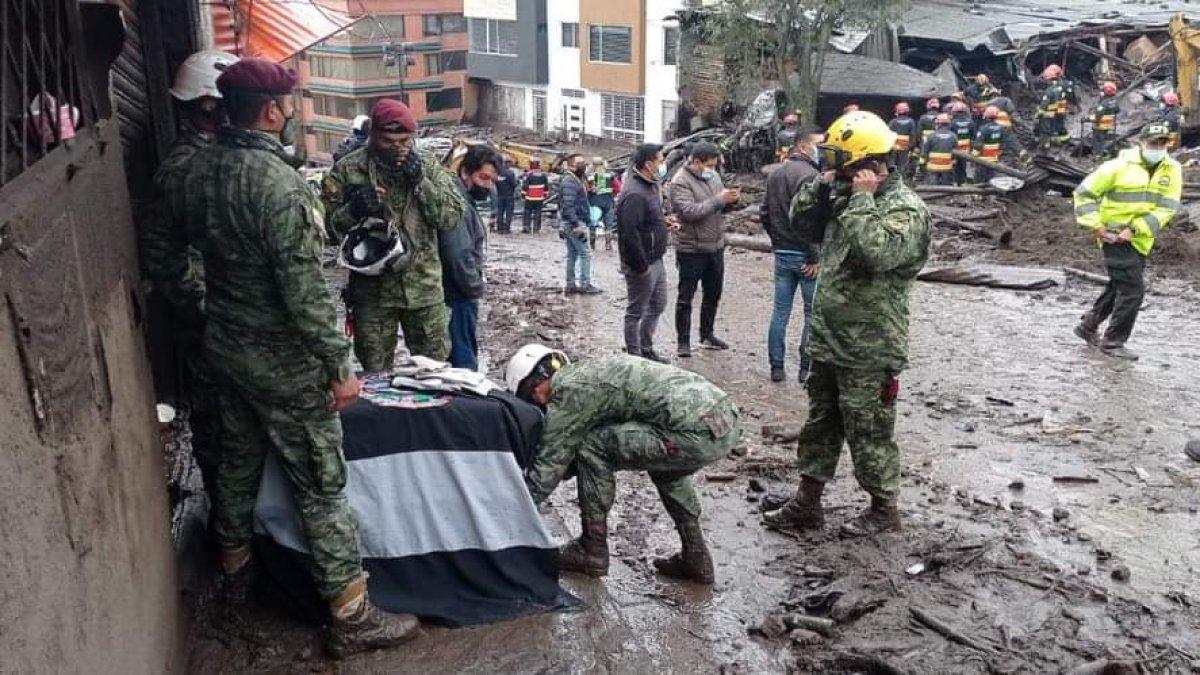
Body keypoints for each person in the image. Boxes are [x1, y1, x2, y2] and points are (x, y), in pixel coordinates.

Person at [182, 57, 418, 658]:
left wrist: (202, 313)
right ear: (270, 110)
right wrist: (341, 366)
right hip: (284, 365)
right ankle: (350, 613)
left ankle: (235, 577)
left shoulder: (195, 168)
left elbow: (166, 254)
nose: (291, 113)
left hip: (222, 350)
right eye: (288, 104)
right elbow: (306, 291)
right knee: (320, 484)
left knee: (233, 466)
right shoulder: (280, 186)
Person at [764, 110, 931, 536]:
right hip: (831, 338)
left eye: (839, 160)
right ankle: (807, 503)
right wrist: (821, 190)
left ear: (864, 164)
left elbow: (876, 254)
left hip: (870, 347)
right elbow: (800, 225)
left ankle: (883, 511)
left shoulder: (905, 209)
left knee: (869, 429)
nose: (831, 166)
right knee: (821, 422)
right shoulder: (841, 194)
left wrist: (860, 201)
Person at [506, 345, 741, 584]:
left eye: (530, 396)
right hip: (725, 420)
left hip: (692, 432)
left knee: (592, 447)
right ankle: (696, 556)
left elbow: (549, 468)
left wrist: (505, 519)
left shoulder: (568, 393)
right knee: (668, 472)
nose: (538, 403)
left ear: (534, 384)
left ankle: (592, 548)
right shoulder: (588, 371)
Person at [144, 49, 238, 513]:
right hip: (210, 324)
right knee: (219, 428)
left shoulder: (222, 156)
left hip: (233, 318)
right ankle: (228, 528)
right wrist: (204, 306)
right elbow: (165, 257)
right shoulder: (184, 168)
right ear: (208, 105)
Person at [322, 99, 465, 369]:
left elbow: (451, 217)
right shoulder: (349, 169)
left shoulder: (427, 165)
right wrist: (354, 209)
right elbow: (326, 230)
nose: (398, 148)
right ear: (373, 135)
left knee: (433, 369)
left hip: (423, 290)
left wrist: (420, 182)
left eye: (405, 140)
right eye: (389, 141)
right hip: (372, 293)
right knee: (375, 371)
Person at [1072, 124, 1181, 361]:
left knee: (1119, 284)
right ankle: (1113, 343)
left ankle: (1088, 326)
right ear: (1140, 143)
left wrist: (1136, 229)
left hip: (1141, 238)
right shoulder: (1117, 167)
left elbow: (1168, 206)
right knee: (1133, 291)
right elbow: (1084, 194)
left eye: (1163, 144)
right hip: (1113, 235)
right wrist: (1096, 225)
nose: (1158, 148)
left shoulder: (1172, 169)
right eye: (1153, 144)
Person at [762, 124, 825, 383]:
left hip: (782, 253)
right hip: (805, 255)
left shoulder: (776, 174)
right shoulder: (811, 176)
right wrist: (813, 256)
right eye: (818, 144)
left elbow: (765, 214)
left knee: (780, 312)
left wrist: (777, 241)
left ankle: (776, 367)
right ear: (803, 146)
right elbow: (807, 219)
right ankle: (805, 367)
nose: (821, 150)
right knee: (811, 314)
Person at [667, 141, 738, 357]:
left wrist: (731, 200)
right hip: (692, 249)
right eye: (710, 165)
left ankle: (707, 334)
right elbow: (689, 212)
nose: (713, 169)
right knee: (685, 297)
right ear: (697, 162)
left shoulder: (714, 177)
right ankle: (683, 342)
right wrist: (719, 200)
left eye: (715, 165)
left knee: (713, 293)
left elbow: (718, 206)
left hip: (715, 246)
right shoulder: (680, 182)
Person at [440, 144, 498, 370]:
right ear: (465, 172)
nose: (488, 186)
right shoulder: (458, 203)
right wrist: (474, 286)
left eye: (493, 181)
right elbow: (458, 252)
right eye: (484, 178)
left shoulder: (463, 199)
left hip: (457, 291)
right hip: (458, 294)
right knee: (462, 360)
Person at [617, 143, 675, 363]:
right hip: (642, 263)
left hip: (656, 258)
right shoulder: (634, 193)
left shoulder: (651, 185)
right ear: (649, 164)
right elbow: (628, 233)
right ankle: (635, 358)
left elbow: (649, 218)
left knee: (658, 303)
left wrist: (663, 222)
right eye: (660, 161)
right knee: (636, 311)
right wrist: (640, 267)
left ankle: (646, 347)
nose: (663, 165)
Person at [560, 154, 602, 295]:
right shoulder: (569, 182)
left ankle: (571, 284)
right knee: (585, 253)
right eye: (580, 163)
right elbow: (568, 205)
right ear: (571, 165)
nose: (583, 165)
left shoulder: (576, 179)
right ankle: (585, 284)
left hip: (573, 221)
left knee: (572, 254)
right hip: (575, 223)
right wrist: (576, 224)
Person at [972, 106, 1014, 184]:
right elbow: (1003, 143)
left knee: (979, 178)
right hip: (994, 158)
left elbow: (978, 145)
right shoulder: (1001, 128)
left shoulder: (983, 128)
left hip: (982, 159)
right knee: (991, 178)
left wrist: (973, 156)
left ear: (986, 116)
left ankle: (978, 195)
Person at [588, 156, 619, 250]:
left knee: (593, 224)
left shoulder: (589, 176)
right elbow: (618, 188)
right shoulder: (610, 175)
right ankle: (608, 245)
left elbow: (584, 189)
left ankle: (592, 245)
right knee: (608, 225)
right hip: (608, 202)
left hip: (594, 203)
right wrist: (611, 194)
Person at [1035, 65, 1066, 150]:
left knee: (1045, 129)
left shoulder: (1049, 90)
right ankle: (1059, 142)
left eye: (1046, 79)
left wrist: (1038, 113)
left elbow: (1044, 104)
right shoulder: (1062, 86)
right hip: (1058, 111)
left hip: (1048, 112)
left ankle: (1045, 146)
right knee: (1056, 127)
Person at [921, 113, 956, 185]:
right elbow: (955, 153)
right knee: (947, 188)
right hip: (947, 167)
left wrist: (924, 162)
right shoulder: (953, 136)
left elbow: (925, 151)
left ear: (938, 124)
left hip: (933, 166)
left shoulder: (931, 136)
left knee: (933, 188)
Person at [1087, 82, 1120, 157]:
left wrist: (1087, 119)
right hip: (1108, 124)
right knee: (1103, 138)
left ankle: (1097, 155)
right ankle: (1101, 151)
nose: (1101, 91)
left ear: (1106, 91)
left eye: (1103, 90)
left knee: (1097, 140)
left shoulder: (1104, 103)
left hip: (1100, 125)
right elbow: (1117, 111)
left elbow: (1098, 114)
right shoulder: (1114, 101)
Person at [948, 101, 975, 185]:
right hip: (965, 149)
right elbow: (973, 136)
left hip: (954, 149)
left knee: (954, 166)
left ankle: (955, 182)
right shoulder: (970, 122)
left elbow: (949, 135)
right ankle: (963, 182)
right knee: (963, 166)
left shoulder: (952, 122)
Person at [520, 159, 549, 233]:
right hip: (539, 198)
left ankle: (527, 227)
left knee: (527, 212)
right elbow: (546, 187)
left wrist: (523, 194)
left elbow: (525, 186)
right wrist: (545, 194)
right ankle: (536, 228)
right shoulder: (543, 175)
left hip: (529, 197)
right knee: (538, 213)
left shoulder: (528, 174)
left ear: (532, 165)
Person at [888, 102, 917, 174]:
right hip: (905, 148)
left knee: (892, 166)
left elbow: (887, 135)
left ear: (897, 111)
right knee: (903, 167)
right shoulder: (911, 122)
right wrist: (911, 147)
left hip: (894, 148)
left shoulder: (892, 122)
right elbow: (913, 136)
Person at [493, 155, 518, 234]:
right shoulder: (510, 173)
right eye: (509, 163)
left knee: (500, 212)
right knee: (508, 213)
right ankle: (507, 228)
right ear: (507, 163)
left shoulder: (497, 173)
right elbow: (514, 184)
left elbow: (495, 183)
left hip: (500, 195)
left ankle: (499, 228)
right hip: (509, 196)